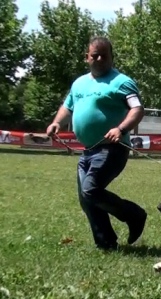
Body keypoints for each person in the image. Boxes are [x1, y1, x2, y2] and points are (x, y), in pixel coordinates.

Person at [46, 36, 147, 251]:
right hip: (88, 150)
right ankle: (107, 244)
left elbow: (137, 110)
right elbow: (68, 106)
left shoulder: (122, 82)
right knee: (86, 198)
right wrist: (56, 123)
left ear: (112, 57)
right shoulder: (79, 83)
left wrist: (120, 129)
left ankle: (135, 215)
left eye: (104, 55)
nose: (99, 59)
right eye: (95, 55)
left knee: (90, 190)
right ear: (87, 58)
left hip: (113, 148)